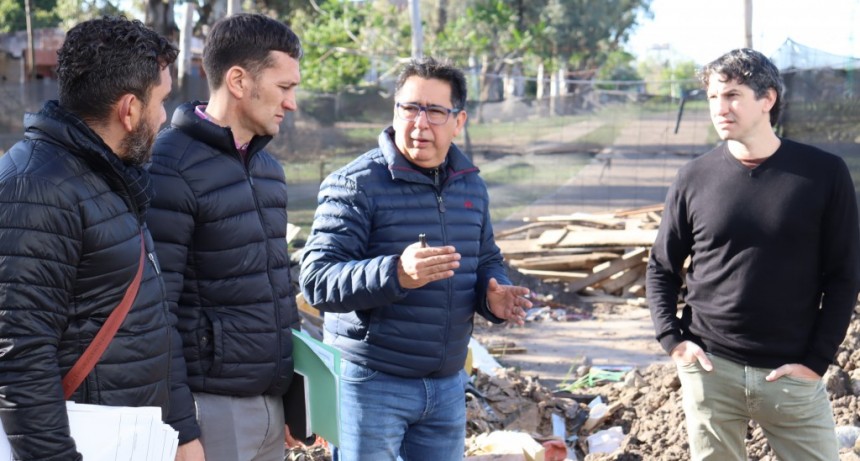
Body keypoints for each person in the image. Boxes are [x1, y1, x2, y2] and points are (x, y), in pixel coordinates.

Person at [300, 57, 533, 461]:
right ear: (395, 111)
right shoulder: (354, 184)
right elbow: (317, 281)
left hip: (445, 385)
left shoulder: (471, 186)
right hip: (371, 383)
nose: (419, 123)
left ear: (458, 121)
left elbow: (487, 258)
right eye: (410, 108)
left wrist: (491, 295)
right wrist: (396, 273)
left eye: (435, 111)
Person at [0, 16, 204, 460]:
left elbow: (152, 320)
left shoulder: (110, 177)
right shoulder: (34, 188)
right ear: (129, 109)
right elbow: (20, 359)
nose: (165, 116)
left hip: (138, 440)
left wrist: (184, 434)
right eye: (162, 101)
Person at [646, 47, 860, 461]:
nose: (720, 108)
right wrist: (673, 341)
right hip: (710, 370)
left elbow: (845, 276)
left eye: (732, 95)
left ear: (767, 99)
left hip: (792, 376)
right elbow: (661, 269)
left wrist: (816, 363)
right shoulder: (693, 178)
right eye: (712, 97)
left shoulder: (823, 174)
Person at [146, 13, 302, 461]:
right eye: (285, 87)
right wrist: (180, 428)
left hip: (270, 406)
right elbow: (157, 310)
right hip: (210, 412)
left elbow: (278, 290)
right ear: (238, 80)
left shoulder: (270, 170)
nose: (291, 103)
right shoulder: (169, 165)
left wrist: (293, 400)